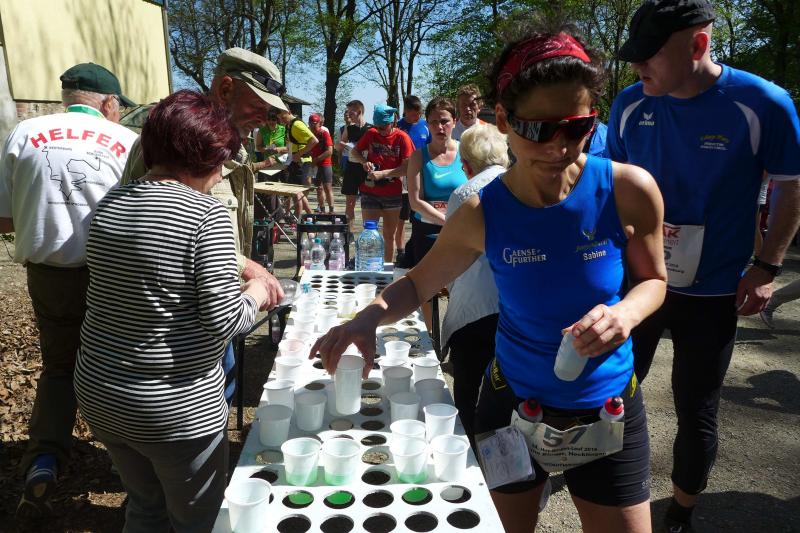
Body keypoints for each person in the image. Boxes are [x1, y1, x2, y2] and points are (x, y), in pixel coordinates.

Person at [312, 30, 667, 533]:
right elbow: (418, 284)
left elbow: (654, 280)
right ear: (502, 120)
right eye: (537, 129)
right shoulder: (483, 211)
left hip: (608, 408)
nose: (559, 146)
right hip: (512, 408)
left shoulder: (629, 189)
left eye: (578, 127)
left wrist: (625, 314)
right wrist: (365, 319)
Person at [605, 2, 800, 532]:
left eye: (649, 54)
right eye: (633, 55)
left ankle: (681, 512)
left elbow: (790, 187)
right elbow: (611, 185)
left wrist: (766, 266)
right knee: (613, 390)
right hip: (639, 281)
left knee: (695, 407)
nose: (636, 66)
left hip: (713, 289)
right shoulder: (629, 103)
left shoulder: (764, 103)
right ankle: (604, 489)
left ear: (698, 44)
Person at [75, 90, 270, 532]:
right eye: (223, 159)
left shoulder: (110, 204)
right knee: (197, 521)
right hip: (173, 409)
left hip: (101, 394)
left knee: (145, 507)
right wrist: (257, 291)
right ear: (205, 156)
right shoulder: (206, 214)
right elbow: (225, 321)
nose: (221, 173)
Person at [0, 62, 137, 517]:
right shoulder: (127, 141)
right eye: (120, 106)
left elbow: (5, 217)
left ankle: (44, 459)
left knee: (59, 366)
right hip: (111, 274)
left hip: (48, 273)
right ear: (109, 102)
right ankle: (129, 463)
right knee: (120, 361)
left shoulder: (24, 133)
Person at [120, 47, 284, 408]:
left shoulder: (237, 148)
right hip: (174, 330)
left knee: (223, 390)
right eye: (258, 106)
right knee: (194, 408)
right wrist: (246, 267)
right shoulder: (166, 141)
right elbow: (139, 221)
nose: (264, 119)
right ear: (225, 89)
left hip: (219, 308)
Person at [440, 123, 509, 449]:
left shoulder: (465, 194)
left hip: (475, 307)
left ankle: (471, 452)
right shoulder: (522, 186)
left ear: (466, 164)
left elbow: (452, 255)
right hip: (513, 307)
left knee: (468, 390)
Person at [400, 97, 468, 329]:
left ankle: (455, 335)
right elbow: (416, 201)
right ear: (427, 124)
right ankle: (432, 338)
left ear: (454, 121)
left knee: (461, 291)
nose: (440, 127)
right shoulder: (419, 157)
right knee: (426, 292)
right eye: (434, 122)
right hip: (428, 233)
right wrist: (447, 221)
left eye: (445, 121)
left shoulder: (466, 152)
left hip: (462, 233)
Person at [348, 104, 414, 262]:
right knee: (370, 234)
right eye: (377, 127)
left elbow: (407, 168)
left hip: (392, 193)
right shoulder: (371, 133)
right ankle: (369, 267)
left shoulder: (402, 138)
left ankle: (387, 269)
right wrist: (364, 162)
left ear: (392, 122)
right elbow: (354, 152)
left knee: (389, 236)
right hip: (370, 192)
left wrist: (384, 174)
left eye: (383, 127)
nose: (380, 131)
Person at [397, 95, 431, 263]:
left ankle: (417, 245)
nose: (417, 117)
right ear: (406, 111)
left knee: (419, 215)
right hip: (403, 176)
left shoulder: (426, 126)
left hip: (423, 175)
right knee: (402, 216)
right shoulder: (398, 127)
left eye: (419, 114)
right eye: (413, 114)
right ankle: (400, 250)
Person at [275, 107, 318, 219]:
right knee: (296, 192)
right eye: (279, 118)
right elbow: (291, 145)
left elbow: (314, 141)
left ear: (289, 112)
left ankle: (297, 220)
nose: (281, 120)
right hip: (294, 162)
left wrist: (299, 154)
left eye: (283, 117)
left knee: (297, 192)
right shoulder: (289, 125)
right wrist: (287, 159)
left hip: (301, 162)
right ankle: (310, 215)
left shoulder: (297, 124)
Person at [337, 100, 371, 239]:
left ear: (359, 111)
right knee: (350, 203)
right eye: (348, 112)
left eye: (351, 112)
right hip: (351, 167)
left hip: (365, 168)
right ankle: (348, 234)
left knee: (366, 204)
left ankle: (367, 234)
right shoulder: (348, 128)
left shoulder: (370, 129)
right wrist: (342, 144)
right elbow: (339, 145)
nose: (349, 115)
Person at [309, 113, 335, 213]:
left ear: (319, 123)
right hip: (314, 165)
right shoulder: (308, 134)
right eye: (311, 123)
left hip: (325, 164)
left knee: (327, 187)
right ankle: (322, 209)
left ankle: (331, 209)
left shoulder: (324, 133)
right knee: (318, 188)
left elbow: (330, 151)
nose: (313, 125)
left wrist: (316, 159)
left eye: (315, 123)